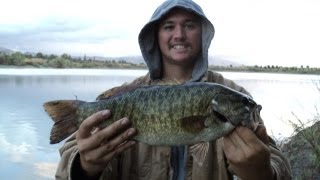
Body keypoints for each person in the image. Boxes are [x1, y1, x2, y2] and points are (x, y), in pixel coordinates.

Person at [55, 0, 292, 179]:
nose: (179, 34)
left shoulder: (234, 94)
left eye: (189, 25)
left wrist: (263, 172)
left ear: (203, 34)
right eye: (169, 26)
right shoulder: (126, 95)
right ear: (155, 36)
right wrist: (84, 165)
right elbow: (67, 161)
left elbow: (278, 163)